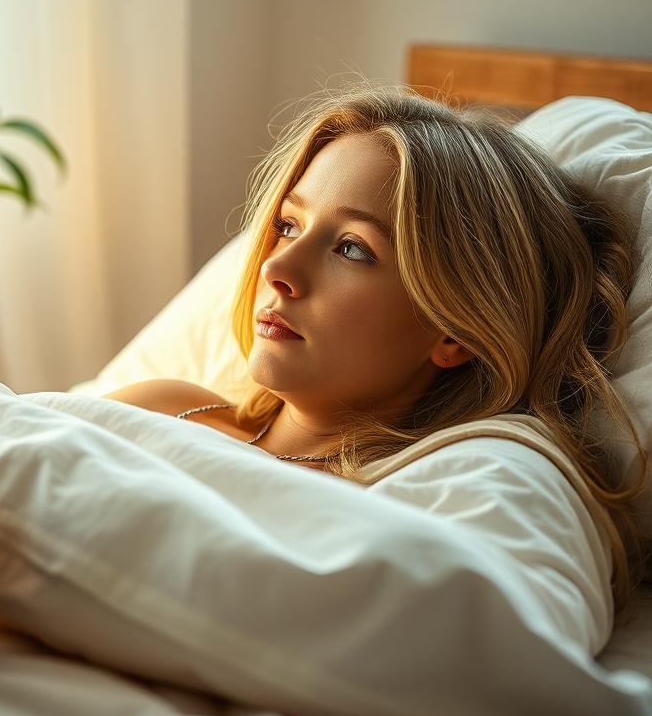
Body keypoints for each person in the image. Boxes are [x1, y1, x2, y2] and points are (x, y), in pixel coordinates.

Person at [105, 86, 648, 617]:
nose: (277, 269)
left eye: (351, 248)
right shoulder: (160, 405)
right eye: (288, 226)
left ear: (453, 332)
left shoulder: (442, 497)